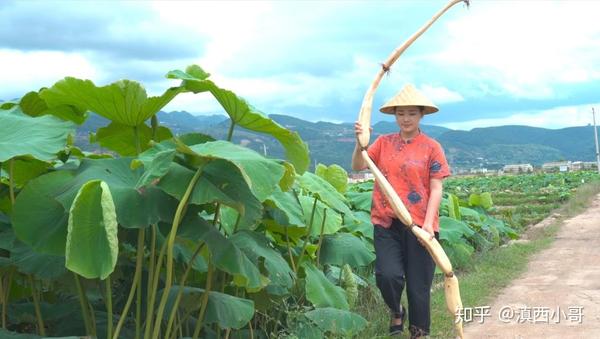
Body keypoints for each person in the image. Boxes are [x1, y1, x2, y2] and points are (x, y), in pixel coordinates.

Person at [351, 84, 450, 338]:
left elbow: (436, 188)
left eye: (411, 114)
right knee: (387, 275)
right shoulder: (383, 143)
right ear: (395, 116)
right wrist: (360, 142)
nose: (406, 119)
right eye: (401, 113)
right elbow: (359, 165)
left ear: (421, 116)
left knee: (419, 286)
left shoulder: (432, 147)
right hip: (386, 221)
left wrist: (428, 225)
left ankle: (419, 332)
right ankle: (396, 310)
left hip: (420, 224)